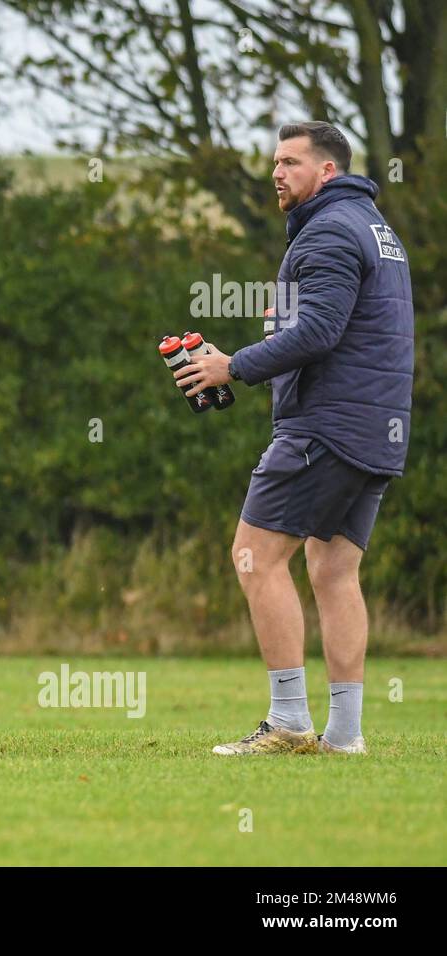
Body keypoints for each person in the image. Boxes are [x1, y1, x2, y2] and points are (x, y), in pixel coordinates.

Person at [175, 122, 414, 756]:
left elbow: (321, 333)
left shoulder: (330, 231)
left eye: (290, 162)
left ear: (327, 172)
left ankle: (287, 722)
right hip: (377, 429)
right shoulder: (376, 230)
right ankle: (345, 735)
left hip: (329, 427)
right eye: (274, 162)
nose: (277, 173)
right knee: (334, 571)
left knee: (254, 555)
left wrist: (235, 365)